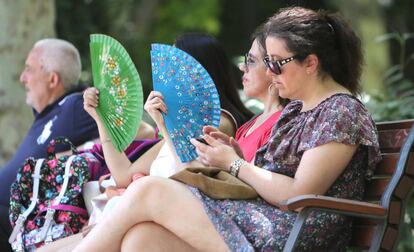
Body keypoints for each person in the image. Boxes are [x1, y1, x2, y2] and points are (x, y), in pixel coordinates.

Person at [69, 6, 382, 251]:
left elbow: (299, 193)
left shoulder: (341, 112)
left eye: (276, 63)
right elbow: (270, 172)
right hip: (263, 217)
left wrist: (234, 163)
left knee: (150, 189)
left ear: (311, 63)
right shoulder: (301, 109)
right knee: (142, 240)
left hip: (294, 232)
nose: (269, 72)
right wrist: (232, 153)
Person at [37, 33, 253, 251]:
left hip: (162, 229)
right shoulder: (176, 125)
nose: (167, 75)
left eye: (173, 66)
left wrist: (164, 127)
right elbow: (124, 175)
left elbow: (188, 176)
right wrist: (101, 118)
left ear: (198, 72)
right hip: (130, 218)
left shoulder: (218, 122)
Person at [0, 38, 100, 251]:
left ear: (52, 79)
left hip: (20, 224)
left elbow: (135, 128)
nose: (22, 78)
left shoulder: (75, 106)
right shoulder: (45, 113)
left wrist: (87, 148)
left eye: (29, 69)